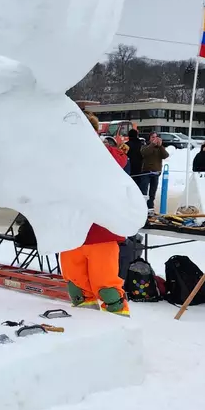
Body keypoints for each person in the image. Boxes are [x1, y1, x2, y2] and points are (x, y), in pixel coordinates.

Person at [60, 121, 130, 315]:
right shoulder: (57, 154)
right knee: (77, 288)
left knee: (107, 289)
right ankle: (84, 328)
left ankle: (119, 330)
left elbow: (119, 162)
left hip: (100, 233)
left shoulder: (104, 154)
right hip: (71, 234)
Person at [140, 132, 169, 210]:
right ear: (149, 138)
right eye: (153, 137)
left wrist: (161, 146)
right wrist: (152, 144)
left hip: (156, 172)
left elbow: (166, 155)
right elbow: (144, 153)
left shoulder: (159, 148)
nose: (155, 139)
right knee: (144, 190)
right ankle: (143, 206)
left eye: (156, 137)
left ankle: (150, 206)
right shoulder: (145, 146)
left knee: (153, 191)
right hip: (146, 171)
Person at [127, 126, 144, 192]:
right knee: (138, 188)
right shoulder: (142, 144)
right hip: (140, 168)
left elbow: (121, 154)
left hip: (130, 168)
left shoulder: (126, 145)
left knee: (131, 187)